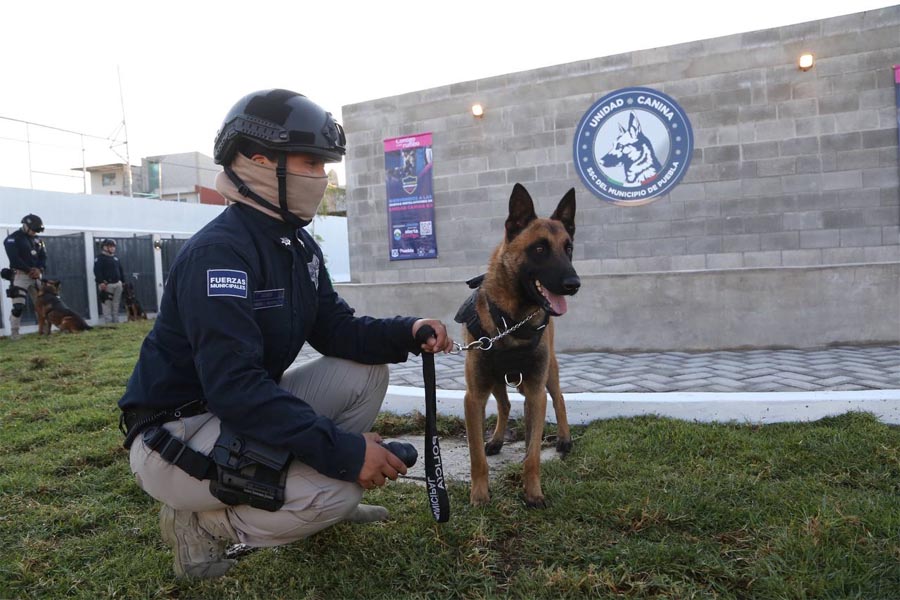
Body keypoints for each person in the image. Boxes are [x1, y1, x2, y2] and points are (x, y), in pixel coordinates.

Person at [118, 89, 453, 580]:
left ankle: (322, 503)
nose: (320, 178)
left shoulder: (297, 246)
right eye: (310, 163)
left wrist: (407, 331)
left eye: (324, 166)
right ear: (258, 162)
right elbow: (234, 388)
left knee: (364, 372)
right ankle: (200, 528)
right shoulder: (219, 255)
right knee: (337, 486)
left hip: (236, 411)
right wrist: (346, 454)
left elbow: (336, 329)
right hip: (178, 432)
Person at [3, 214, 47, 339]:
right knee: (18, 306)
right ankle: (14, 333)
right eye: (33, 229)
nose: (35, 232)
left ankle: (44, 330)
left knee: (41, 304)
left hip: (36, 275)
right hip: (20, 275)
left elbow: (43, 257)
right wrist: (29, 270)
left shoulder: (39, 240)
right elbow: (14, 259)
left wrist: (40, 269)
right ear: (25, 225)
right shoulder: (12, 239)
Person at [93, 238, 125, 323]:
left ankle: (116, 321)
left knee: (116, 304)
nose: (113, 248)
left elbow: (120, 270)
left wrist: (123, 281)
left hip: (118, 284)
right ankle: (109, 323)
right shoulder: (100, 258)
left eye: (113, 247)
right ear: (105, 247)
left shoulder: (115, 258)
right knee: (107, 305)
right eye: (110, 246)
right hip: (107, 285)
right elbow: (97, 271)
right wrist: (101, 282)